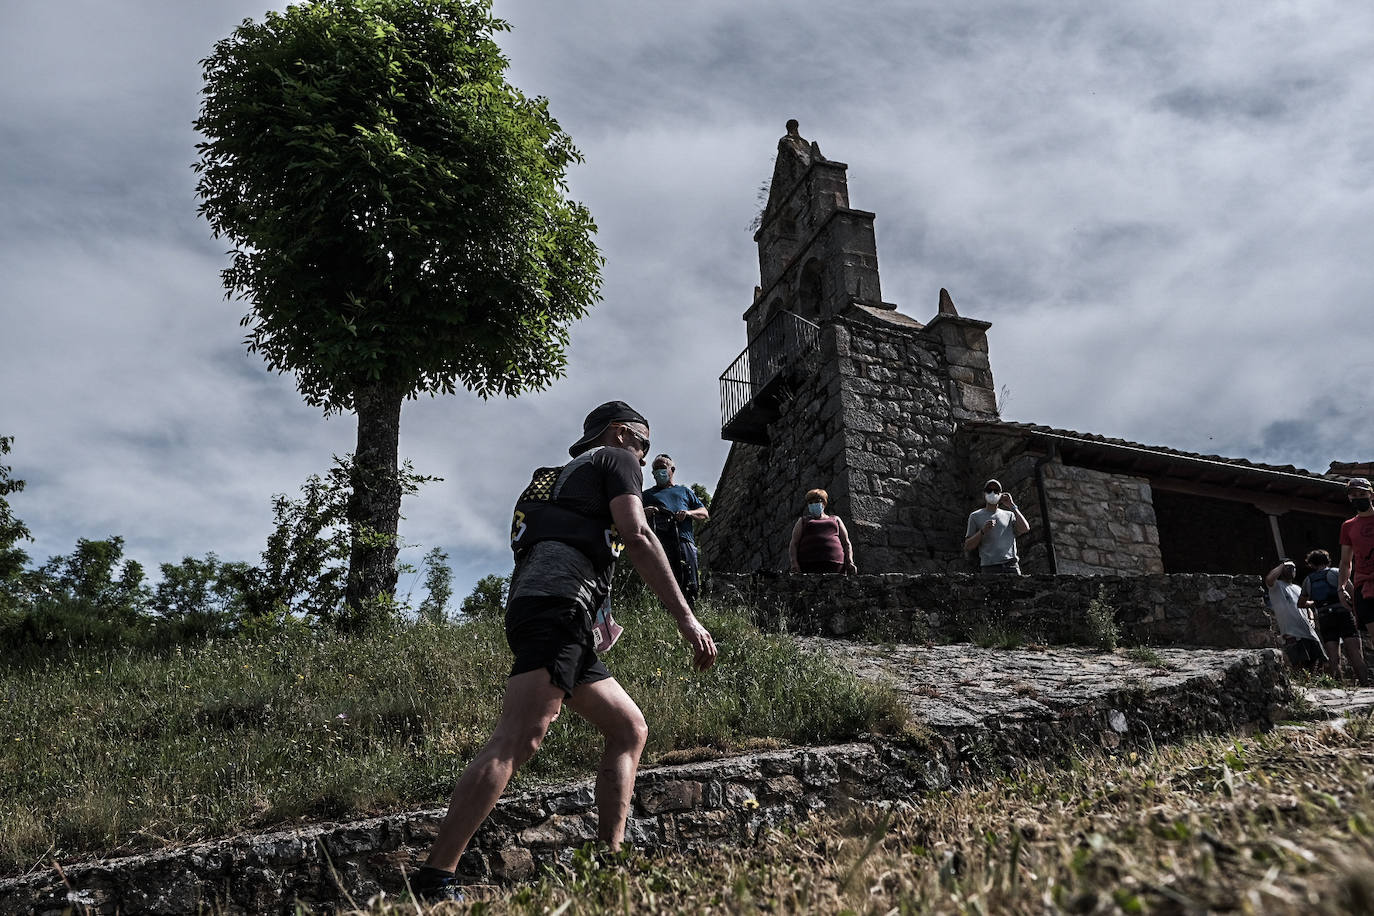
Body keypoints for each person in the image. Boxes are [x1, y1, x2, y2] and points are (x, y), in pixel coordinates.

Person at [409, 401, 717, 902]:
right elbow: (636, 535)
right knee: (518, 739)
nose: (645, 460)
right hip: (558, 609)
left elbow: (563, 543)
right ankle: (434, 878)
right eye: (644, 447)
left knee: (628, 727)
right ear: (621, 435)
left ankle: (608, 864)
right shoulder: (617, 459)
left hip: (544, 607)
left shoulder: (551, 478)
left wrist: (599, 618)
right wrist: (687, 618)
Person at [642, 454, 709, 607]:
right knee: (665, 582)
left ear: (672, 470)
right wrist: (644, 512)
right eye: (655, 469)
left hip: (684, 541)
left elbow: (704, 513)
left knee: (690, 581)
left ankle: (692, 611)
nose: (658, 472)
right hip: (660, 543)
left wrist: (688, 513)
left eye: (662, 468)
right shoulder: (647, 495)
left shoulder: (684, 492)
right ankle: (666, 615)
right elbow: (632, 513)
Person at [1300, 548, 1368, 683]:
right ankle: (1365, 683)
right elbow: (1353, 593)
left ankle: (1339, 684)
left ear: (1311, 564)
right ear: (1327, 560)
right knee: (1355, 653)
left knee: (1333, 657)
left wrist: (1317, 603)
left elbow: (1301, 604)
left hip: (1325, 618)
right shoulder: (1337, 573)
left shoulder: (1308, 580)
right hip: (1344, 614)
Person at [1265, 559, 1324, 672]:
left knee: (1316, 665)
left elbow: (1307, 605)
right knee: (1299, 667)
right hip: (1293, 634)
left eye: (1294, 567)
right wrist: (1283, 564)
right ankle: (1304, 689)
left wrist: (1311, 617)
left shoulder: (1298, 588)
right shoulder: (1276, 587)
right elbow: (1269, 579)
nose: (1292, 569)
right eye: (1289, 567)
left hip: (1309, 633)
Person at [963, 478, 1030, 574]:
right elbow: (968, 546)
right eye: (989, 490)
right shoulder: (975, 516)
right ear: (984, 494)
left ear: (1001, 494)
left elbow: (1025, 528)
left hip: (1011, 566)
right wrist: (982, 531)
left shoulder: (1009, 514)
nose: (992, 493)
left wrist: (1012, 506)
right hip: (990, 568)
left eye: (996, 491)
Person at [788, 488, 857, 574]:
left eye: (817, 501)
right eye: (810, 503)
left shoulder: (835, 519)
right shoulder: (803, 521)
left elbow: (846, 543)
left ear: (824, 503)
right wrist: (794, 563)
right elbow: (794, 543)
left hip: (835, 565)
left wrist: (850, 561)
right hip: (808, 564)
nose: (813, 504)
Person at [1340, 477, 1374, 645]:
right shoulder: (1348, 526)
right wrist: (1341, 587)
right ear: (1349, 498)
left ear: (1371, 495)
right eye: (1354, 495)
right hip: (1364, 587)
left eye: (1363, 493)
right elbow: (1346, 561)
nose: (1359, 497)